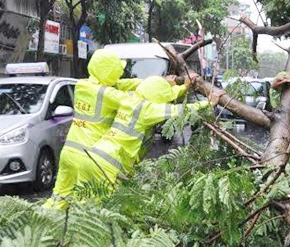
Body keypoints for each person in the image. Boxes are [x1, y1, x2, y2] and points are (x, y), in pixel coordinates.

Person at [76, 76, 223, 189]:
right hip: (109, 164)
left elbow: (158, 95)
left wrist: (182, 86)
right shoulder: (146, 110)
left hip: (92, 155)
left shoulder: (128, 100)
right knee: (104, 217)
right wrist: (208, 103)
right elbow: (178, 110)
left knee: (83, 209)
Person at [49, 49, 139, 202]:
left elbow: (121, 84)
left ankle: (44, 222)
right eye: (117, 70)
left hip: (69, 152)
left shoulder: (82, 85)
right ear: (109, 71)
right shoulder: (106, 94)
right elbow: (136, 103)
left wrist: (156, 81)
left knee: (59, 196)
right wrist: (164, 89)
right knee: (88, 204)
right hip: (89, 156)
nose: (120, 75)